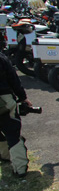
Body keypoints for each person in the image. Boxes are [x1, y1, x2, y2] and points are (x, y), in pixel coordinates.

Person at [0, 34, 31, 179]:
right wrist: (23, 98)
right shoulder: (2, 58)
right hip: (3, 98)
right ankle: (20, 168)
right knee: (12, 131)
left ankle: (5, 155)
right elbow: (13, 79)